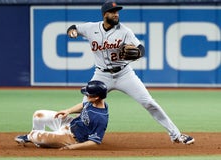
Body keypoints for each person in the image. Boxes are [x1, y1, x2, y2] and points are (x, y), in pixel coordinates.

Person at [66, 1, 194, 145]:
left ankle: (176, 135)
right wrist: (72, 31)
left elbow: (141, 48)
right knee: (85, 105)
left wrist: (138, 52)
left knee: (149, 103)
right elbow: (74, 28)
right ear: (104, 14)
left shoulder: (125, 31)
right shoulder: (91, 28)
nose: (116, 14)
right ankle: (67, 131)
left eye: (117, 12)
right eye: (113, 12)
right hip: (101, 75)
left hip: (124, 74)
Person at [15, 80, 109, 150]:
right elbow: (83, 105)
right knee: (38, 115)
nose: (86, 95)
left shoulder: (100, 118)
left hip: (72, 138)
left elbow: (95, 142)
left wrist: (73, 147)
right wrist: (68, 111)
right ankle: (38, 141)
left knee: (35, 135)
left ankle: (32, 138)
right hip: (70, 123)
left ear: (96, 97)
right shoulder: (96, 102)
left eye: (88, 94)